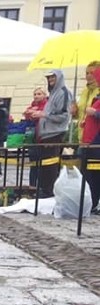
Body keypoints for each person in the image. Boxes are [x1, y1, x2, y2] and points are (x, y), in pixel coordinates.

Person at [33, 70, 72, 199]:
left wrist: (44, 115)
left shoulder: (63, 93)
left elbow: (64, 116)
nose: (50, 80)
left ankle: (49, 191)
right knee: (45, 165)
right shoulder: (53, 94)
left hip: (55, 134)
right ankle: (45, 189)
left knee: (51, 165)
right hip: (46, 135)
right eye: (49, 78)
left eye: (53, 78)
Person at [81, 66, 100, 212]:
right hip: (89, 139)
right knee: (90, 173)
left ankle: (94, 201)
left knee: (95, 173)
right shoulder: (91, 94)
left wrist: (95, 113)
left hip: (96, 141)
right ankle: (92, 201)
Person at [22, 86, 48, 187]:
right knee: (33, 164)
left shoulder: (46, 105)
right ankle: (32, 186)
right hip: (32, 137)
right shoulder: (32, 105)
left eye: (39, 94)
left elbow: (44, 115)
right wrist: (29, 113)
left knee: (42, 165)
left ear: (44, 95)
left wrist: (35, 113)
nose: (36, 96)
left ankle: (41, 186)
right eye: (35, 94)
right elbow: (27, 115)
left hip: (42, 137)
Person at [70, 61, 100, 143]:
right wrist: (75, 112)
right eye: (87, 73)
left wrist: (94, 112)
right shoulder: (84, 91)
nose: (88, 76)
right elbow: (81, 114)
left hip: (95, 137)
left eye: (92, 73)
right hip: (82, 136)